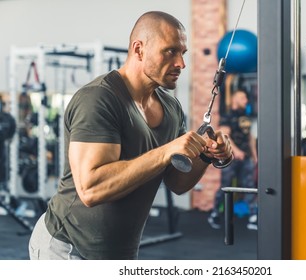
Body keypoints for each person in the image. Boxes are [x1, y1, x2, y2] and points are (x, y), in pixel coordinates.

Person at [28, 11, 232, 260]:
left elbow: (177, 183)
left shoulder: (171, 108)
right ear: (139, 50)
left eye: (183, 53)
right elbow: (91, 189)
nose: (181, 63)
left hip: (120, 252)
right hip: (67, 247)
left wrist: (206, 155)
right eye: (170, 51)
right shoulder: (98, 99)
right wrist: (166, 151)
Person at [207, 89, 258, 230]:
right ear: (235, 99)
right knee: (226, 186)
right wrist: (236, 151)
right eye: (242, 98)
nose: (246, 100)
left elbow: (250, 139)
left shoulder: (246, 117)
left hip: (245, 157)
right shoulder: (227, 116)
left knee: (249, 186)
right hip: (230, 158)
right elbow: (224, 136)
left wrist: (255, 156)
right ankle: (215, 213)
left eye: (246, 98)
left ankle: (253, 217)